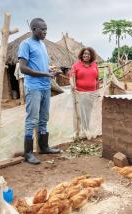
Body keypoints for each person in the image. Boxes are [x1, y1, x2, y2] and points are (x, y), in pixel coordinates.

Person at [18, 18, 61, 165]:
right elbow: (23, 68)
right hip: (34, 87)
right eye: (42, 29)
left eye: (46, 29)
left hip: (45, 86)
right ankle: (28, 153)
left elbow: (41, 66)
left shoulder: (42, 45)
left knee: (43, 118)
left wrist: (51, 71)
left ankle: (44, 147)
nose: (45, 32)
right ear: (34, 29)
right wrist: (45, 74)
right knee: (32, 120)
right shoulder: (25, 44)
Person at [70, 47, 99, 138]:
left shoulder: (94, 65)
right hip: (80, 94)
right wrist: (73, 85)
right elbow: (71, 77)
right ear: (82, 55)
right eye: (85, 54)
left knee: (88, 112)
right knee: (80, 113)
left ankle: (86, 129)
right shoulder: (76, 66)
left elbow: (97, 79)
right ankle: (78, 131)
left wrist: (97, 91)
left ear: (91, 56)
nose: (86, 55)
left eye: (88, 54)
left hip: (92, 93)